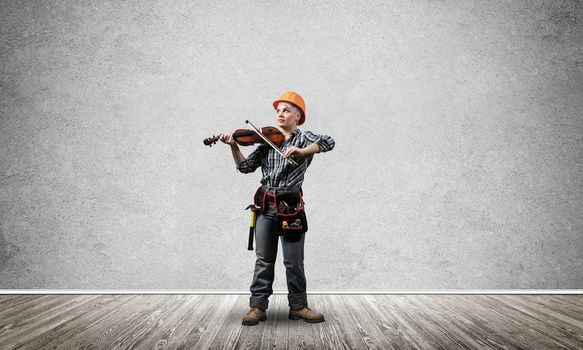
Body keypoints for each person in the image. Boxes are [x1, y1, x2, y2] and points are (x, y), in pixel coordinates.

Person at [219, 91, 335, 326]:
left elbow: (328, 142)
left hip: (291, 207)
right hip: (265, 206)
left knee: (294, 261)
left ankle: (299, 306)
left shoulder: (304, 139)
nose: (280, 114)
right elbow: (244, 168)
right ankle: (257, 307)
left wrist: (302, 152)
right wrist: (232, 146)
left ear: (298, 115)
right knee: (264, 259)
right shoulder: (265, 141)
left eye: (286, 110)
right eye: (278, 110)